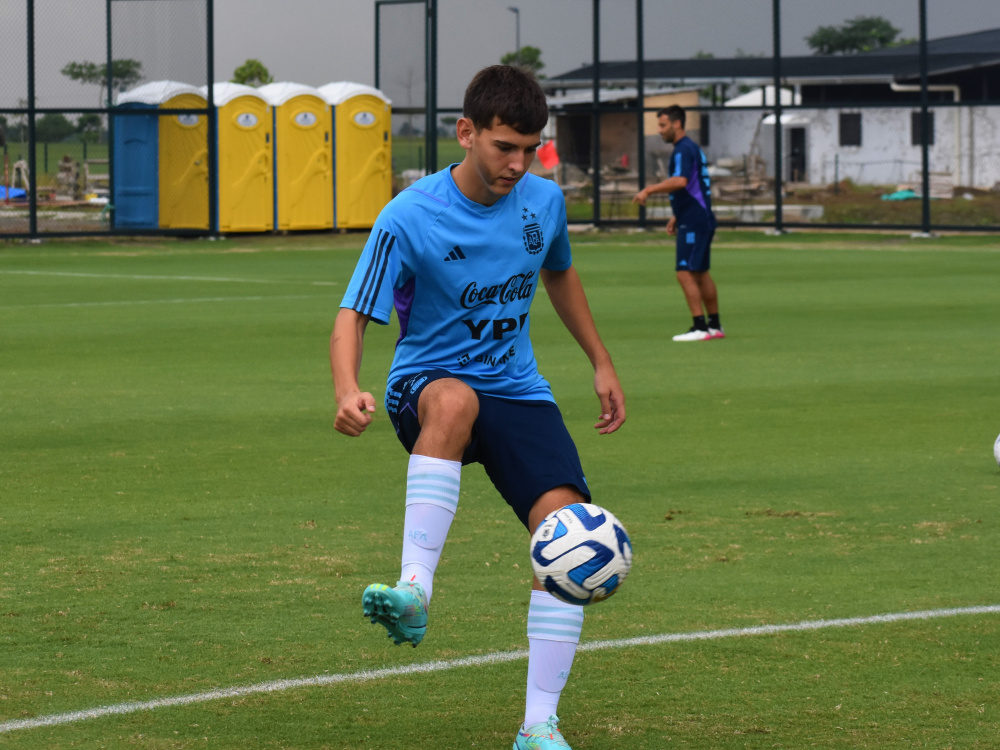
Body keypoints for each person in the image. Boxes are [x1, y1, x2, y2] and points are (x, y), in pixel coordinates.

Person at [330, 65, 626, 750]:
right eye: (504, 147)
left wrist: (600, 361)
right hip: (427, 388)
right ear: (466, 133)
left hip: (518, 390)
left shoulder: (543, 203)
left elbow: (559, 271)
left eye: (530, 149)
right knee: (456, 399)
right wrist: (349, 389)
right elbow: (353, 314)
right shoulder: (410, 215)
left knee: (566, 540)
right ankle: (414, 590)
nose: (518, 164)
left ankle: (538, 725)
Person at [632, 105, 724, 342]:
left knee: (684, 273)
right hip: (697, 216)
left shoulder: (683, 149)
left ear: (677, 124)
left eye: (663, 125)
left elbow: (681, 181)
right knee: (701, 273)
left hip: (695, 220)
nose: (659, 131)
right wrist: (678, 215)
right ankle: (714, 325)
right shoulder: (692, 148)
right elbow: (696, 186)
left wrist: (649, 190)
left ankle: (700, 327)